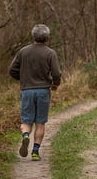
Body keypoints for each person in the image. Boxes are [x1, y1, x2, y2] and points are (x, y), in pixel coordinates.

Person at [9, 24, 61, 161]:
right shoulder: (50, 53)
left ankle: (26, 135)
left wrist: (23, 79)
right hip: (43, 91)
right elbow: (56, 73)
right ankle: (35, 152)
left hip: (27, 91)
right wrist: (55, 84)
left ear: (33, 36)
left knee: (26, 120)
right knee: (40, 122)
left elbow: (12, 70)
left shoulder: (23, 52)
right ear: (47, 37)